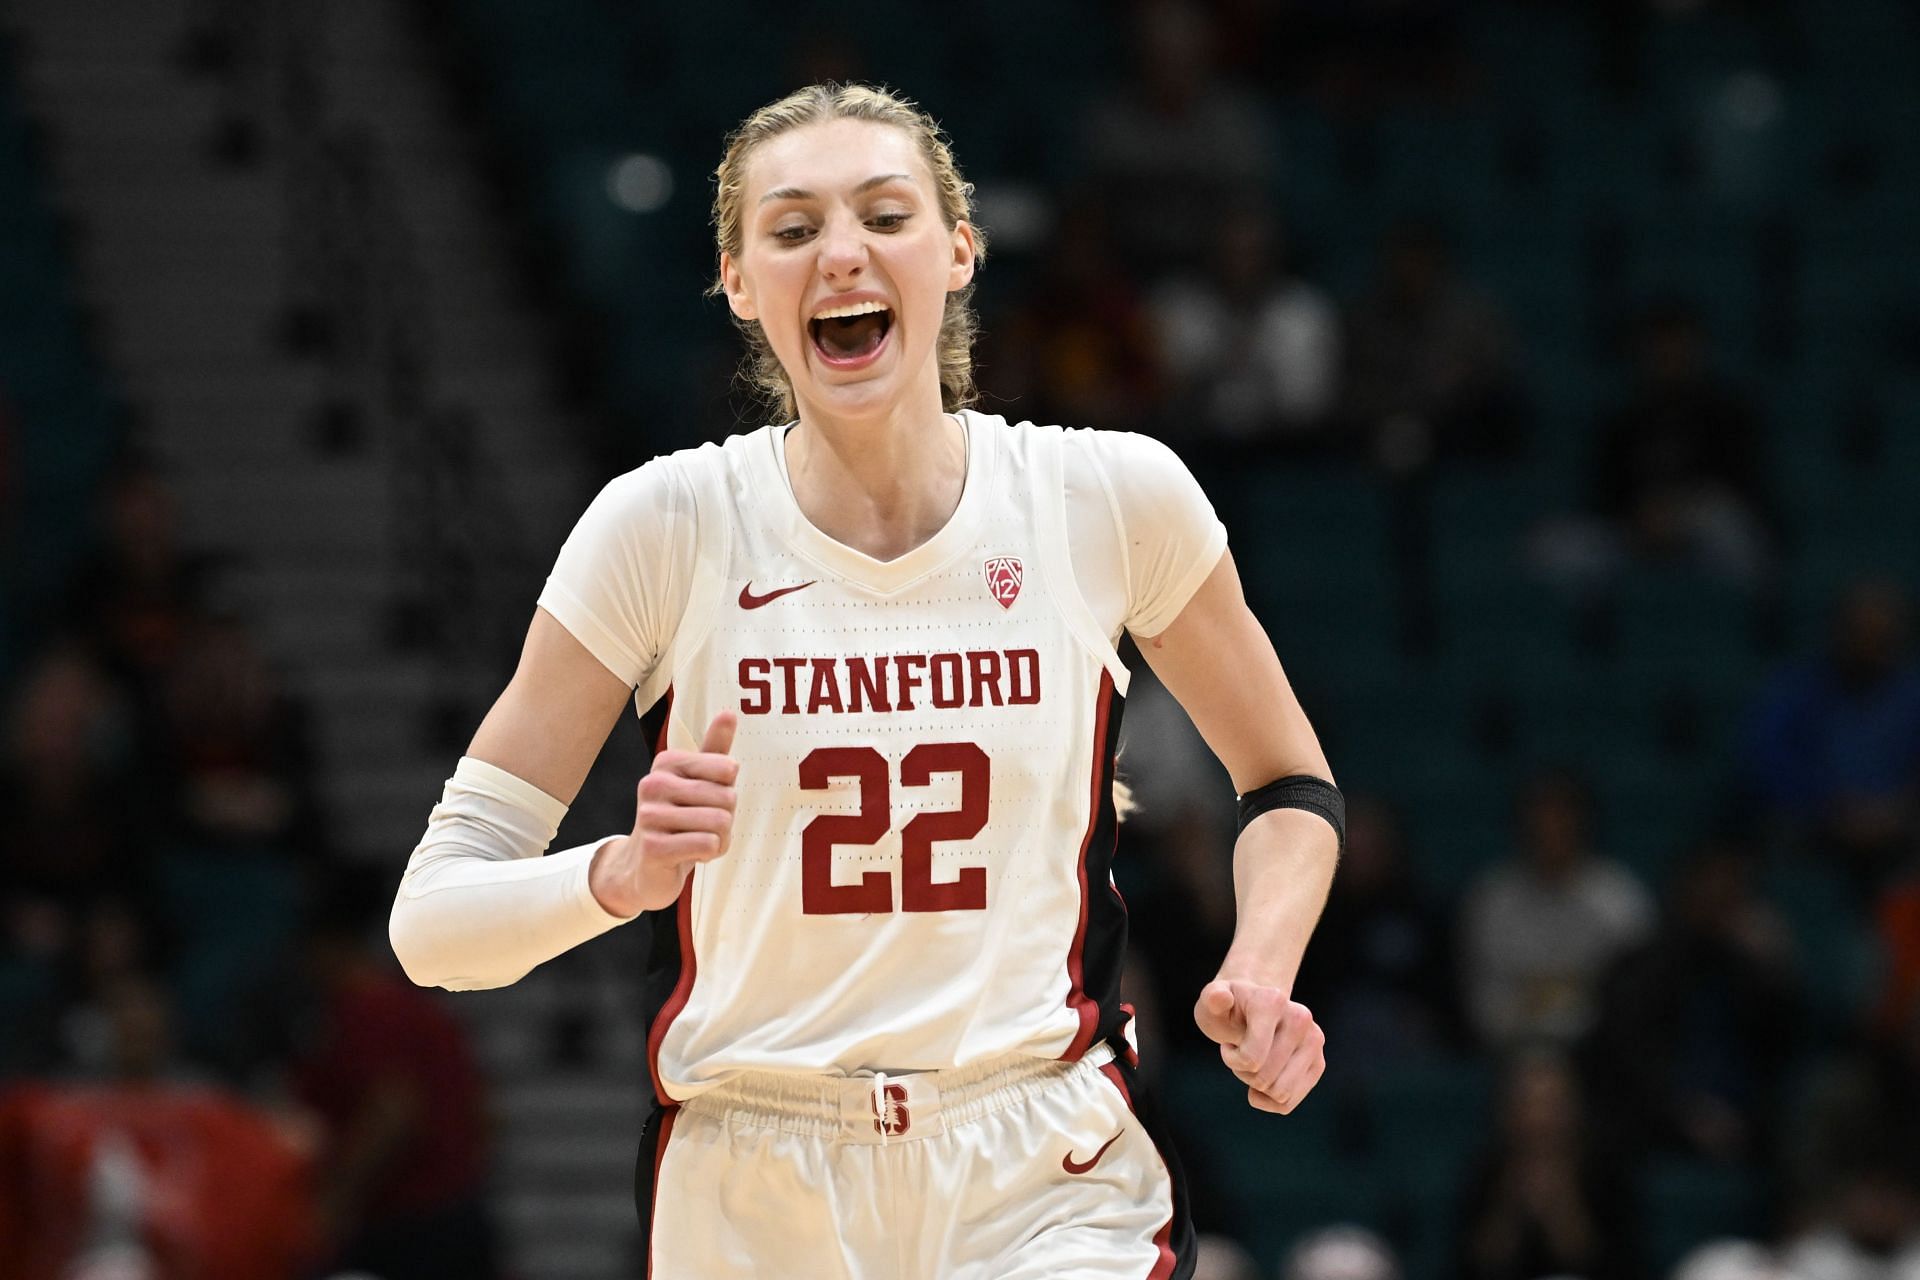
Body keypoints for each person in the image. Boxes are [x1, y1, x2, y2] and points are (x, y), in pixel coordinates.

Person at [386, 83, 1343, 1279]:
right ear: (739, 282)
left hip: (1041, 1155)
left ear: (958, 251)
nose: (841, 252)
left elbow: (1288, 782)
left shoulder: (1105, 498)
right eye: (792, 229)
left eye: (883, 215)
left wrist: (1259, 963)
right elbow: (431, 925)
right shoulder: (664, 527)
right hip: (757, 1174)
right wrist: (617, 874)